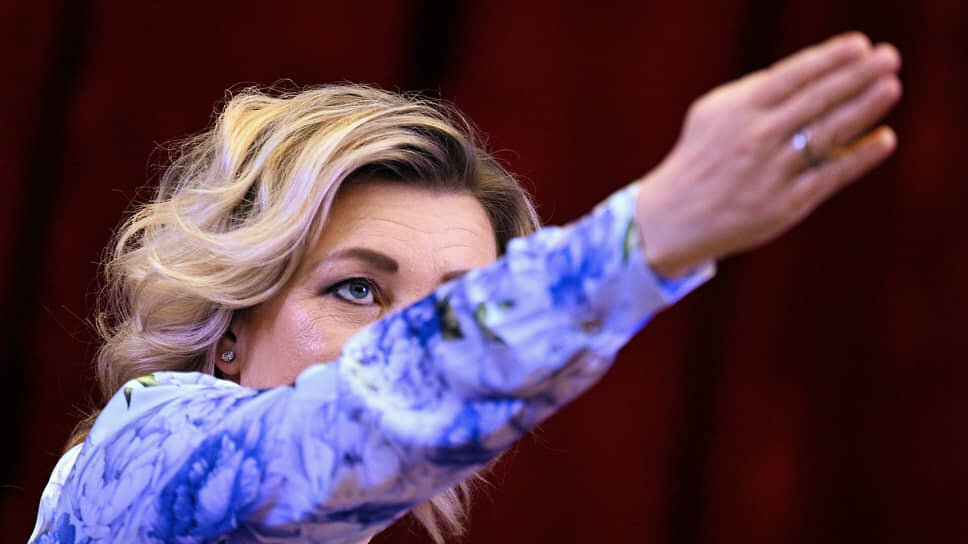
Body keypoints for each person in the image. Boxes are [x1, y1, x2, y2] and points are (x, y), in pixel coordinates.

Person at [29, 32, 901, 543]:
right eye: (358, 290)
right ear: (229, 330)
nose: (410, 339)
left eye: (458, 301)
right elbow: (360, 417)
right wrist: (646, 238)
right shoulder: (144, 452)